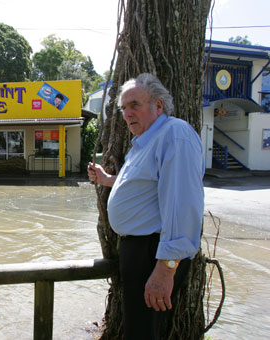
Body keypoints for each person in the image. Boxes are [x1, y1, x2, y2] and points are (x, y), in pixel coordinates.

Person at [87, 73, 204, 340]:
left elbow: (183, 205)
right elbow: (148, 185)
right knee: (138, 330)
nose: (127, 114)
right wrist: (108, 180)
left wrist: (165, 269)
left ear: (158, 105)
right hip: (140, 249)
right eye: (124, 108)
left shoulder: (174, 135)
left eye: (135, 105)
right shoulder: (145, 142)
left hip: (153, 252)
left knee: (142, 333)